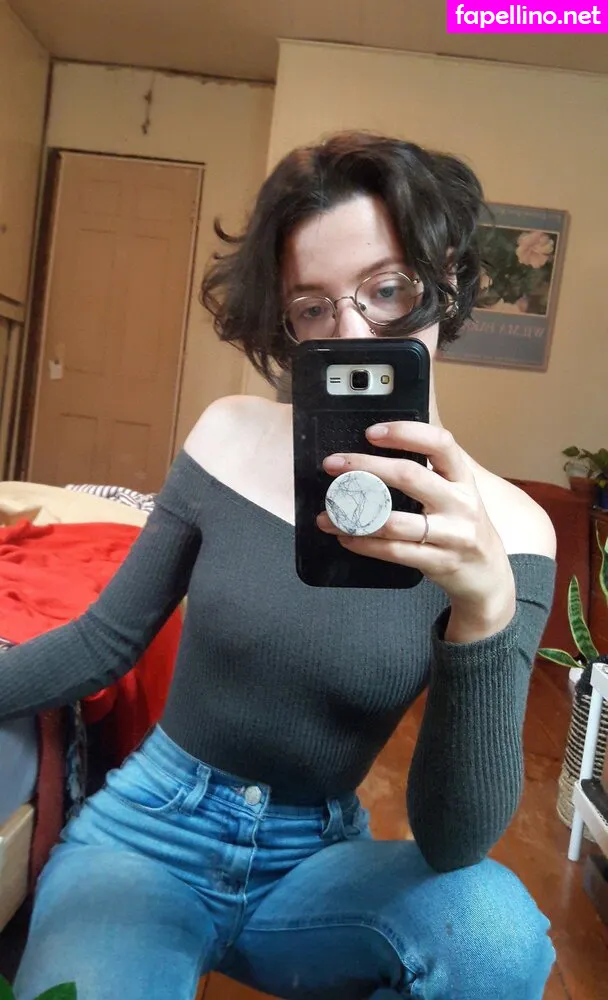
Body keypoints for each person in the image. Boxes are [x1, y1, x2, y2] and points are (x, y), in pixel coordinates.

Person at [2, 131, 557, 1000]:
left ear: (444, 278)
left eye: (387, 289)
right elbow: (102, 642)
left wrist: (482, 611)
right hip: (148, 836)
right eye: (313, 308)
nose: (352, 333)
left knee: (495, 934)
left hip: (317, 865)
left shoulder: (513, 531)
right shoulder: (227, 435)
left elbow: (453, 843)